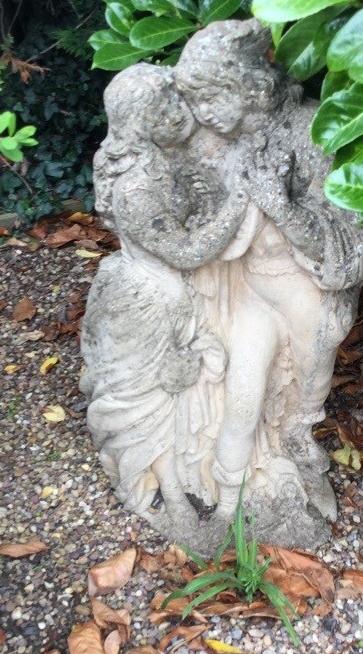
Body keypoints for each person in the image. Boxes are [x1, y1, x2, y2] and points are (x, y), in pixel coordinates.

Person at [175, 20, 363, 520]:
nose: (202, 113)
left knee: (305, 389)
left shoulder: (313, 131)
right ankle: (229, 488)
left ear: (251, 87)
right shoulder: (217, 142)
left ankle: (297, 449)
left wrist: (283, 207)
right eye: (195, 100)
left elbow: (348, 247)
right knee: (243, 387)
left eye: (213, 97)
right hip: (249, 288)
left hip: (303, 291)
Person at [80, 64, 248, 537]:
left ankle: (183, 484)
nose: (178, 114)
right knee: (148, 401)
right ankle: (167, 491)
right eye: (166, 105)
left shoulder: (161, 164)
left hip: (174, 300)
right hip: (146, 306)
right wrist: (240, 202)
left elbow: (190, 219)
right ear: (142, 115)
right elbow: (187, 251)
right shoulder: (134, 184)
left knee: (179, 393)